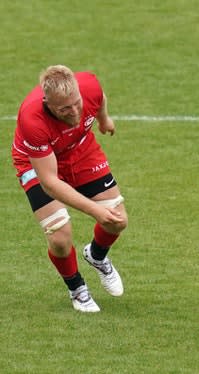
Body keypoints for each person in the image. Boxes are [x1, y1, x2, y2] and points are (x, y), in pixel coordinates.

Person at [11, 65, 128, 313]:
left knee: (117, 221)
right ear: (48, 103)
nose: (74, 111)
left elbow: (100, 98)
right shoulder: (32, 120)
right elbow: (51, 183)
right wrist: (94, 210)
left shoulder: (89, 86)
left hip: (79, 148)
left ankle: (96, 256)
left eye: (76, 103)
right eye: (64, 108)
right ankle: (77, 288)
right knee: (59, 236)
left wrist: (104, 119)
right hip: (37, 161)